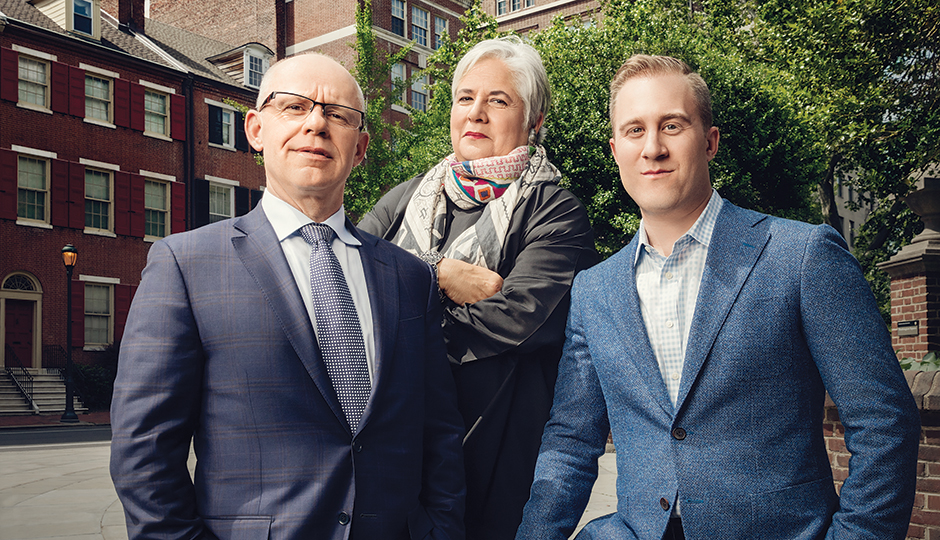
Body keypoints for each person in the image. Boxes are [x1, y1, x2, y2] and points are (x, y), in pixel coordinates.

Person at [515, 54, 920, 540]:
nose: (653, 148)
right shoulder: (594, 289)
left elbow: (884, 424)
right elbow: (570, 444)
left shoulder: (802, 256)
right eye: (634, 130)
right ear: (615, 149)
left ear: (709, 142)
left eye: (671, 125)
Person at [109, 53, 465, 540]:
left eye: (338, 115)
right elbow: (144, 451)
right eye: (294, 107)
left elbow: (440, 434)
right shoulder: (184, 265)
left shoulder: (408, 277)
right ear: (256, 130)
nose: (316, 124)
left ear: (359, 148)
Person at [358, 37, 597, 540]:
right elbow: (346, 286)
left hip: (495, 460)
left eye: (499, 100)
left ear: (533, 121)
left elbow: (518, 320)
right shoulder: (403, 202)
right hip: (394, 454)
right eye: (465, 98)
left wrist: (397, 320)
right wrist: (435, 273)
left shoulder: (555, 211)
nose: (477, 114)